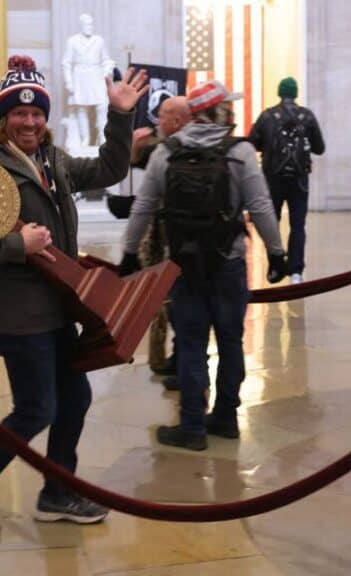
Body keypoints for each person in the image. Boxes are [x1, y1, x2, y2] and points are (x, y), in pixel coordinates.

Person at [0, 55, 148, 539]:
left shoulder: (53, 160)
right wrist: (16, 245)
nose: (29, 121)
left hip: (55, 307)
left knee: (74, 396)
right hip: (16, 312)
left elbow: (112, 168)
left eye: (36, 113)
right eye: (18, 113)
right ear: (2, 118)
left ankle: (57, 492)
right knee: (36, 408)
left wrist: (120, 115)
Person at [118, 80, 286, 451]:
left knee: (191, 343)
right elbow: (260, 206)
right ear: (220, 111)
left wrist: (129, 252)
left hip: (184, 265)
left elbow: (143, 206)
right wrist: (277, 253)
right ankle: (226, 417)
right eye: (230, 105)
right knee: (230, 342)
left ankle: (192, 426)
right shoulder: (240, 152)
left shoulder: (167, 152)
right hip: (228, 262)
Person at [130, 96, 191, 379]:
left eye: (164, 115)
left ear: (178, 121)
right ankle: (169, 359)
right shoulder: (162, 147)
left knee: (175, 304)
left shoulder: (168, 149)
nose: (158, 120)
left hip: (173, 242)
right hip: (169, 240)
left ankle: (177, 364)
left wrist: (129, 250)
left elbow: (146, 201)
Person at [248, 77, 325, 285]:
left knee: (271, 223)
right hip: (299, 180)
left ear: (280, 93)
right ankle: (296, 271)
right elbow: (320, 148)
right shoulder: (307, 116)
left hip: (273, 178)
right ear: (295, 93)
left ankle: (276, 265)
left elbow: (252, 143)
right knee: (298, 224)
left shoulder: (267, 116)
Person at [62, 13, 115, 150]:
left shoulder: (99, 40)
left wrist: (107, 70)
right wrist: (69, 82)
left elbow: (106, 59)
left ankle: (103, 138)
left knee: (101, 107)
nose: (89, 27)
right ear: (81, 25)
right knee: (81, 108)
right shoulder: (72, 41)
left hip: (96, 75)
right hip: (79, 76)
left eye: (91, 24)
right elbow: (66, 63)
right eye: (86, 24)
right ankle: (84, 138)